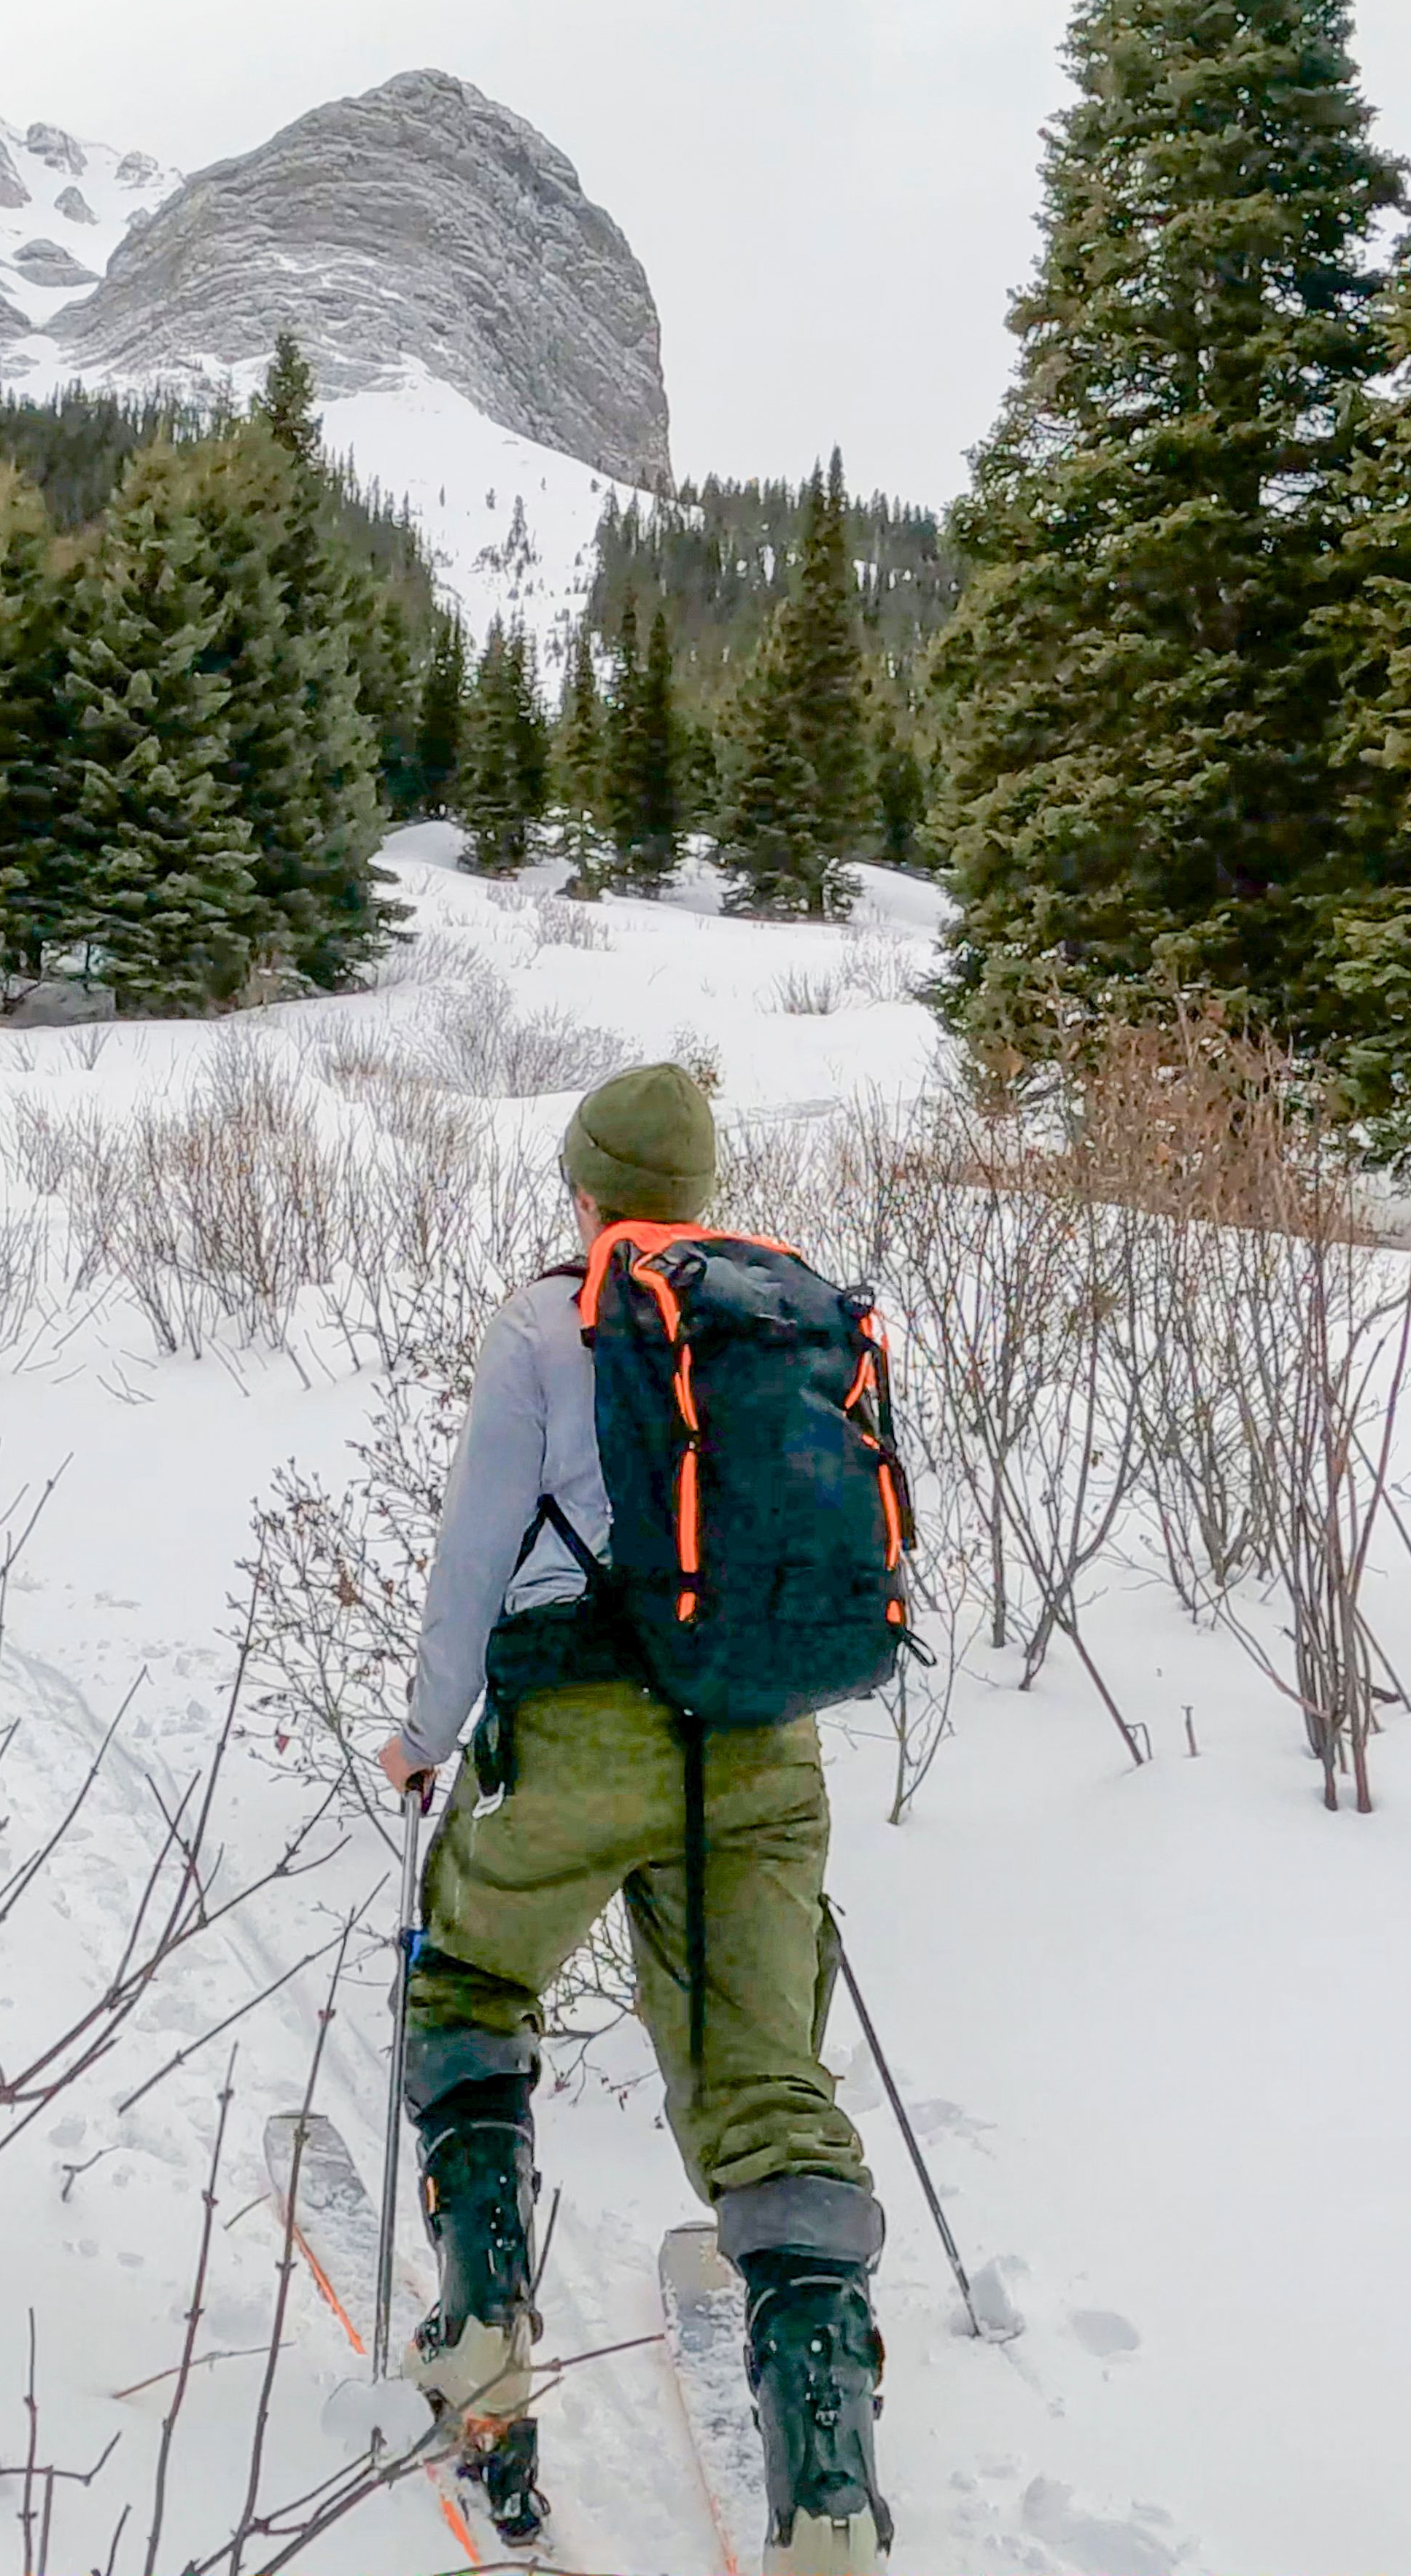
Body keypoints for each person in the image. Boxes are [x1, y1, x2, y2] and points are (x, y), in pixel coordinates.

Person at [373, 1060, 893, 2574]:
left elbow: (476, 1556)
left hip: (579, 1735)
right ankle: (827, 2500)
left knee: (469, 1983)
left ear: (586, 1188)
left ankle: (482, 2329)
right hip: (761, 1746)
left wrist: (424, 1738)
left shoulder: (545, 1322)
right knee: (768, 2092)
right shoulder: (784, 1319)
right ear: (702, 1189)